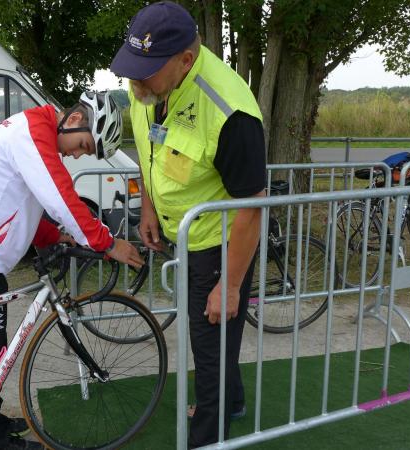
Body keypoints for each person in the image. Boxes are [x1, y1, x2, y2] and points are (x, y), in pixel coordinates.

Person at [0, 91, 144, 449]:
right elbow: (62, 199)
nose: (77, 155)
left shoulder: (35, 132)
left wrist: (54, 235)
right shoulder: (32, 133)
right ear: (74, 120)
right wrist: (108, 243)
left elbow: (24, 202)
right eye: (83, 145)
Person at [109, 2, 267, 447]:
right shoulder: (146, 88)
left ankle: (207, 437)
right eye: (130, 68)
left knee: (209, 345)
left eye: (145, 72)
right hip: (183, 233)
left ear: (186, 60)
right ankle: (233, 401)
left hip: (220, 244)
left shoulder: (231, 113)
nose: (135, 82)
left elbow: (253, 207)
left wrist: (230, 286)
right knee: (214, 337)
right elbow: (150, 150)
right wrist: (148, 208)